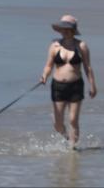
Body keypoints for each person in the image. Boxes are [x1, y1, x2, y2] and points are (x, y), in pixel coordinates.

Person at [40, 15, 97, 148]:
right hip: (58, 86)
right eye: (62, 29)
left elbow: (87, 67)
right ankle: (66, 137)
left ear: (72, 30)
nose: (64, 31)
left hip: (76, 86)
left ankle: (73, 149)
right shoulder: (55, 46)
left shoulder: (81, 45)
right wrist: (44, 76)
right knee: (58, 124)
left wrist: (93, 85)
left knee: (73, 120)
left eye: (66, 29)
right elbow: (48, 66)